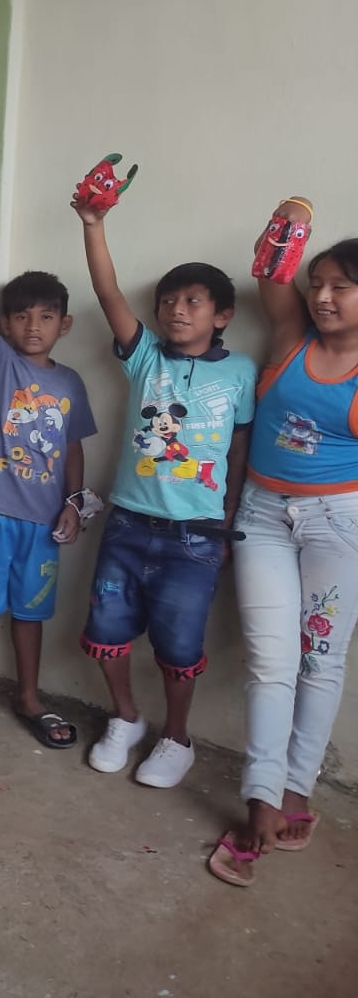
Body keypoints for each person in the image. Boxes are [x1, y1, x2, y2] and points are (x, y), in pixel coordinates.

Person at [73, 194, 257, 787]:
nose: (178, 309)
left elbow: (239, 452)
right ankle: (125, 718)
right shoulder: (145, 358)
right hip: (127, 525)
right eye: (169, 301)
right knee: (106, 632)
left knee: (179, 647)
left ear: (222, 315)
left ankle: (177, 738)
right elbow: (107, 292)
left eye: (193, 301)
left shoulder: (241, 372)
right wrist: (94, 224)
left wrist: (228, 524)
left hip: (196, 537)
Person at [209, 206, 358, 887]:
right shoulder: (293, 334)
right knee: (272, 662)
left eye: (341, 287)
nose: (322, 297)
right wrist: (291, 219)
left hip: (339, 525)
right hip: (263, 515)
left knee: (322, 660)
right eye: (318, 283)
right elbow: (272, 274)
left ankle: (297, 790)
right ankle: (260, 801)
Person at [0, 203, 97, 745]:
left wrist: (75, 502)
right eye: (22, 316)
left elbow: (73, 447)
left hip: (43, 522)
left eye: (47, 316)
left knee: (31, 613)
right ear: (6, 324)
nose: (34, 326)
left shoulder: (71, 383)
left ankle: (30, 696)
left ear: (64, 324)